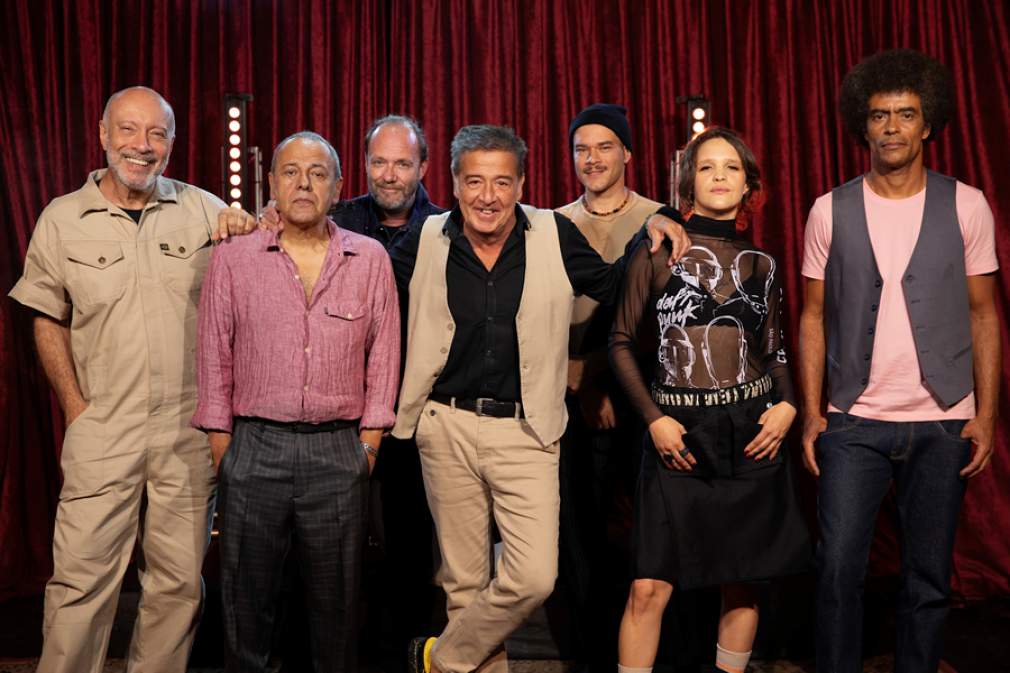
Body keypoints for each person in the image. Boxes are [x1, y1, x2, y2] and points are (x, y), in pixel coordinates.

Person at [388, 125, 689, 673]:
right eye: (474, 181)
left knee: (533, 577)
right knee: (463, 585)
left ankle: (439, 657)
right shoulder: (426, 236)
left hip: (527, 430)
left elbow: (614, 285)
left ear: (522, 184)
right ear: (453, 183)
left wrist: (651, 228)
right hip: (445, 425)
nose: (488, 196)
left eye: (502, 182)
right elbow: (366, 277)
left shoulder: (553, 232)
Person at [8, 86, 224, 673]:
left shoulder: (205, 212)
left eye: (156, 134)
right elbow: (46, 317)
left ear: (171, 143)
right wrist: (75, 407)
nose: (141, 145)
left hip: (186, 432)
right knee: (81, 580)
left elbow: (265, 262)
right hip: (103, 426)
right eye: (128, 130)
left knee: (178, 585)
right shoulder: (63, 218)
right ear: (103, 134)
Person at [798, 49, 1000, 673]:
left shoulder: (967, 205)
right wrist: (813, 414)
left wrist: (986, 415)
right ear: (862, 125)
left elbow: (985, 314)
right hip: (853, 419)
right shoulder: (829, 209)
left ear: (927, 123)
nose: (892, 127)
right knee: (837, 570)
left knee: (928, 577)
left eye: (905, 114)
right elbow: (811, 317)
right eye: (879, 115)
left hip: (943, 420)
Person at [193, 131, 400, 673]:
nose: (303, 183)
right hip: (253, 447)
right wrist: (226, 455)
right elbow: (213, 358)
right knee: (247, 607)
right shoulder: (234, 259)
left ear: (338, 187)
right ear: (271, 183)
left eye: (317, 173)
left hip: (338, 452)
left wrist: (367, 448)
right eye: (290, 172)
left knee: (337, 610)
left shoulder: (369, 259)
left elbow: (384, 360)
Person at [610, 127, 811, 673]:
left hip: (751, 433)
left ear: (748, 185)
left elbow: (775, 348)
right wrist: (654, 419)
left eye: (731, 167)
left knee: (742, 582)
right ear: (688, 183)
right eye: (706, 167)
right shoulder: (657, 251)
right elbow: (620, 342)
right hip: (677, 435)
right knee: (648, 588)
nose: (719, 176)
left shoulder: (762, 263)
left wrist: (789, 405)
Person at [555, 103, 664, 672]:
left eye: (604, 147)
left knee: (645, 530)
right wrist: (578, 380)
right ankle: (587, 655)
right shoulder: (552, 223)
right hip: (565, 391)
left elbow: (655, 315)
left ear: (627, 153)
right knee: (576, 530)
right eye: (581, 149)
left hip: (637, 389)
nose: (592, 159)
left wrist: (598, 374)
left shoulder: (658, 218)